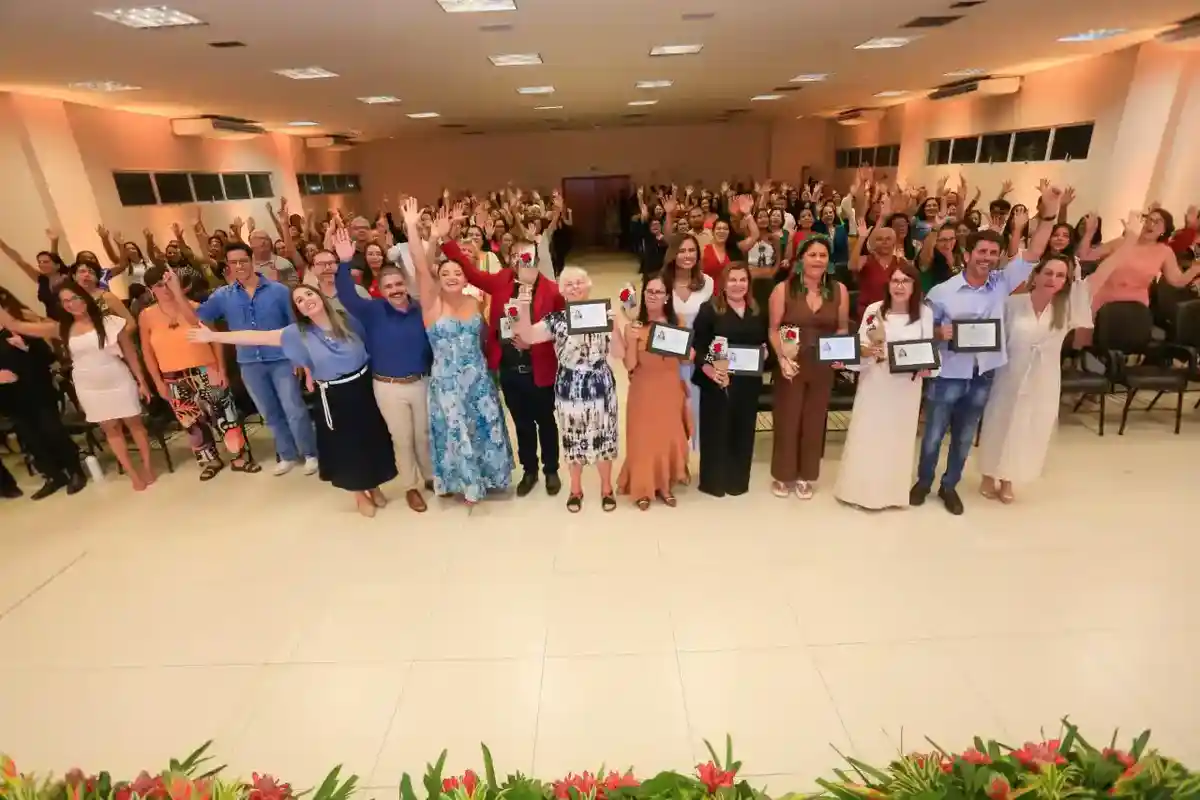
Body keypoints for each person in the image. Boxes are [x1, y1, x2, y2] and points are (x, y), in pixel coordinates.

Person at [913, 181, 1061, 515]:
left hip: (983, 373)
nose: (988, 258)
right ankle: (923, 482)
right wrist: (939, 331)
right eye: (982, 252)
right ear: (967, 255)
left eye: (994, 254)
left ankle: (949, 486)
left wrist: (1050, 213)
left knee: (965, 437)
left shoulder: (1002, 283)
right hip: (948, 372)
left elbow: (1034, 252)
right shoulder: (942, 292)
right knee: (933, 435)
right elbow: (923, 332)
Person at [189, 284, 398, 517]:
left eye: (309, 294)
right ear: (298, 310)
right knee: (346, 447)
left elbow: (369, 343)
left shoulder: (346, 320)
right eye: (299, 300)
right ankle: (359, 494)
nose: (306, 300)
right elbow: (257, 336)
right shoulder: (297, 333)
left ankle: (374, 486)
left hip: (363, 389)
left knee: (370, 440)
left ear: (320, 296)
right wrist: (213, 336)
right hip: (334, 396)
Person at [977, 212, 1139, 503]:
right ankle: (989, 474)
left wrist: (1130, 240)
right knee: (998, 422)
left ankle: (1010, 478)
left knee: (1029, 427)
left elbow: (1103, 273)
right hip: (1009, 375)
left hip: (1044, 379)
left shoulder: (1069, 305)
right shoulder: (1012, 304)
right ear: (1036, 275)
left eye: (1060, 275)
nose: (1053, 279)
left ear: (1066, 280)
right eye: (1048, 273)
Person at [174, 241, 318, 477]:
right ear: (228, 266)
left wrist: (299, 358)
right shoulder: (223, 295)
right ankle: (287, 454)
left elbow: (294, 325)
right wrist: (177, 293)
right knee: (269, 412)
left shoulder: (278, 291)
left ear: (251, 261)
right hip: (249, 363)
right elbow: (195, 319)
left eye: (243, 261)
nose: (239, 266)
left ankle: (310, 453)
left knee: (294, 408)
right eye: (234, 262)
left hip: (281, 359)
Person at [404, 199, 512, 504]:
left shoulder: (474, 302)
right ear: (439, 278)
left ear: (466, 277)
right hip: (447, 382)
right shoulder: (432, 304)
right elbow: (420, 266)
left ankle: (490, 477)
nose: (452, 277)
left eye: (458, 273)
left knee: (483, 427)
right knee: (456, 430)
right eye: (446, 273)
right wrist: (417, 230)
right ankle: (465, 482)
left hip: (478, 379)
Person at [441, 233, 564, 498]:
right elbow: (471, 273)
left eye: (528, 256)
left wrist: (535, 341)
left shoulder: (552, 290)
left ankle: (551, 469)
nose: (522, 261)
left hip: (539, 369)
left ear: (537, 259)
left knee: (546, 421)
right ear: (510, 259)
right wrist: (446, 242)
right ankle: (529, 470)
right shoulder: (502, 281)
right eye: (517, 256)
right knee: (522, 423)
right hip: (509, 369)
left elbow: (560, 327)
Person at [0, 281, 156, 490]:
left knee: (135, 424)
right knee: (111, 430)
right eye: (66, 301)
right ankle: (132, 474)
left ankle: (147, 466)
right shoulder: (62, 328)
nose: (72, 304)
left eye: (75, 298)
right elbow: (15, 325)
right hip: (87, 384)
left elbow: (130, 353)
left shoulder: (110, 322)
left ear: (84, 298)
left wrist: (141, 381)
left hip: (117, 376)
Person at [332, 227, 434, 512]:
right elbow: (347, 296)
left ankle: (431, 476)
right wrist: (344, 262)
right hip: (389, 386)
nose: (395, 290)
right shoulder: (373, 311)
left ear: (406, 283)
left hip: (422, 382)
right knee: (402, 439)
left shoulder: (421, 309)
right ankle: (410, 486)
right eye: (389, 286)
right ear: (382, 290)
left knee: (424, 435)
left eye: (399, 283)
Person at [513, 265, 623, 512]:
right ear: (562, 290)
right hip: (569, 387)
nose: (574, 288)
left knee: (605, 437)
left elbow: (619, 352)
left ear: (588, 286)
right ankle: (575, 489)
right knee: (573, 438)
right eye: (569, 284)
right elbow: (528, 335)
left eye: (579, 282)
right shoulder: (556, 320)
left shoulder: (602, 314)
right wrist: (524, 301)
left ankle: (606, 488)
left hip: (601, 386)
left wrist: (615, 325)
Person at [833, 262, 935, 510]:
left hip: (905, 388)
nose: (899, 286)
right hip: (875, 381)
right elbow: (861, 345)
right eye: (895, 281)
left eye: (905, 281)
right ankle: (859, 492)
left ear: (914, 286)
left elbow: (928, 349)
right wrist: (854, 356)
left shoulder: (924, 314)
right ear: (888, 285)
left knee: (896, 439)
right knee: (868, 435)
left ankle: (890, 495)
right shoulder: (873, 310)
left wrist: (926, 366)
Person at [138, 266, 255, 480]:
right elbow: (147, 352)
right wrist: (158, 382)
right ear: (150, 289)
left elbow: (215, 339)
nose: (165, 289)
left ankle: (239, 456)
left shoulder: (195, 307)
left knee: (224, 414)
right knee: (192, 422)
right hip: (172, 375)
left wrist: (221, 369)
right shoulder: (146, 316)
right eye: (159, 285)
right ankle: (210, 460)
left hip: (204, 368)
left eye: (168, 283)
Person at [767, 237, 849, 499]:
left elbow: (842, 328)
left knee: (814, 421)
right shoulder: (783, 289)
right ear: (801, 258)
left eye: (823, 255)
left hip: (822, 365)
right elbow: (773, 329)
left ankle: (806, 475)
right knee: (788, 419)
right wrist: (782, 358)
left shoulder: (839, 290)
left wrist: (839, 353)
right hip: (791, 363)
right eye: (812, 255)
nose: (818, 260)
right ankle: (783, 474)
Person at [0, 286, 87, 499]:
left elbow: (47, 356)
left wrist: (25, 348)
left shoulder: (20, 322)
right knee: (31, 439)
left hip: (37, 389)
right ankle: (53, 476)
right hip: (10, 398)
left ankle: (75, 470)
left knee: (52, 430)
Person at [691, 262, 768, 497]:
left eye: (743, 280)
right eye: (732, 280)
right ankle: (714, 482)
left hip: (748, 382)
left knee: (743, 431)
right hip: (717, 381)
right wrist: (708, 369)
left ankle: (737, 481)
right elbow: (698, 346)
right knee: (716, 430)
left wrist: (766, 353)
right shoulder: (709, 310)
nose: (738, 285)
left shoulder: (757, 310)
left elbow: (764, 342)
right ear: (723, 283)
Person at [616, 274, 691, 509]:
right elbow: (629, 365)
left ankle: (665, 485)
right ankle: (642, 488)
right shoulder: (634, 325)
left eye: (659, 292)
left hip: (670, 387)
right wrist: (630, 339)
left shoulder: (677, 322)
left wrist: (688, 352)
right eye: (649, 291)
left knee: (666, 438)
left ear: (667, 297)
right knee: (643, 440)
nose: (653, 296)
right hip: (643, 388)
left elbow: (686, 359)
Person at [663, 234, 714, 448]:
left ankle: (697, 453)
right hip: (669, 354)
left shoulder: (708, 283)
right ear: (673, 254)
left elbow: (712, 322)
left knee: (695, 409)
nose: (687, 255)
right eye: (682, 251)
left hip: (698, 354)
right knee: (671, 410)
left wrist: (696, 350)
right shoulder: (661, 283)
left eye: (692, 250)